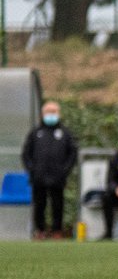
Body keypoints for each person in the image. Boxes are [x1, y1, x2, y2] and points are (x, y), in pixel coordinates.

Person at [21, 101, 79, 240]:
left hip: (58, 176)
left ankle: (57, 231)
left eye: (53, 112)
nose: (51, 115)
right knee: (39, 204)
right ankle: (40, 230)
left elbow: (72, 153)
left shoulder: (65, 133)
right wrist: (32, 169)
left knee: (58, 204)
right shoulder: (36, 132)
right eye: (48, 112)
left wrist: (65, 170)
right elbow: (26, 153)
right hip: (39, 176)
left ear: (58, 114)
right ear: (43, 114)